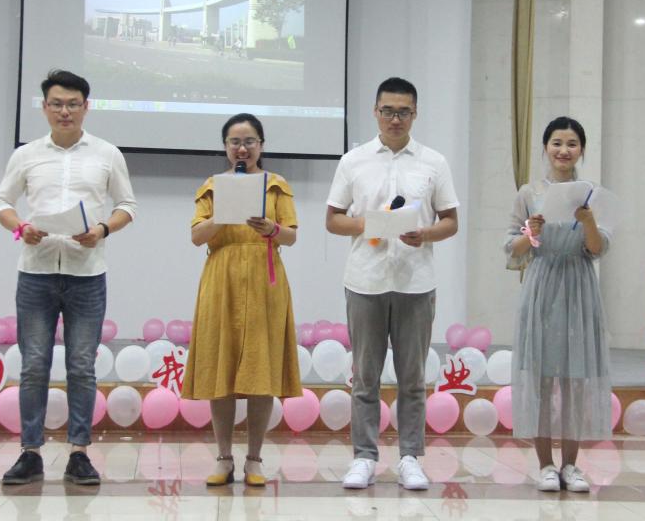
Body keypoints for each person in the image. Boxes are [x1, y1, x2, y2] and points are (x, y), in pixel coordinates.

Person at [0, 69, 137, 486]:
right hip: (35, 272)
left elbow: (127, 205)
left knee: (81, 366)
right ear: (44, 107)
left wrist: (102, 230)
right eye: (57, 104)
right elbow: (0, 202)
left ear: (86, 107)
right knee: (34, 365)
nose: (65, 111)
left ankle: (79, 453)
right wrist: (20, 227)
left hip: (86, 273)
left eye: (73, 104)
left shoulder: (107, 154)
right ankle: (30, 452)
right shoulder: (27, 154)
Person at [326, 77, 459, 491]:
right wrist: (370, 223)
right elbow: (333, 219)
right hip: (365, 280)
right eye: (388, 111)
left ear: (415, 113)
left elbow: (450, 221)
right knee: (365, 376)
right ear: (375, 112)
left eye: (403, 112)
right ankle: (364, 458)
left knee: (412, 378)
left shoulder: (433, 162)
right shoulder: (354, 161)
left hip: (415, 282)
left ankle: (410, 458)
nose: (395, 119)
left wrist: (425, 234)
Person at [184, 113, 301, 488]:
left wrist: (272, 229)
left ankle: (254, 459)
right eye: (235, 142)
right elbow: (197, 236)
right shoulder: (212, 186)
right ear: (225, 147)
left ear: (261, 145)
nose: (242, 148)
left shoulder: (276, 185)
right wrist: (224, 214)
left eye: (250, 141)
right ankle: (223, 457)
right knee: (221, 369)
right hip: (222, 281)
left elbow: (291, 236)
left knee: (259, 370)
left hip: (265, 281)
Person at [504, 116, 610, 493]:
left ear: (582, 149)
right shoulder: (528, 192)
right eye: (557, 143)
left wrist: (589, 221)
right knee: (542, 377)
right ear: (546, 148)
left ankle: (571, 465)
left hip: (579, 286)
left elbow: (597, 249)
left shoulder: (592, 194)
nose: (564, 150)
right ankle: (545, 465)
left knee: (575, 379)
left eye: (572, 144)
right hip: (542, 285)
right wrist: (530, 233)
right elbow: (511, 249)